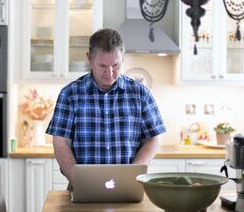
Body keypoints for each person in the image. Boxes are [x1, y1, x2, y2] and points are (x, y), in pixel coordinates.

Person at [46, 28, 165, 186]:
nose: (109, 73)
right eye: (102, 66)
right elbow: (60, 143)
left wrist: (132, 176)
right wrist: (78, 181)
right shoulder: (70, 94)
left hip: (128, 186)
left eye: (116, 65)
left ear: (122, 58)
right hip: (82, 186)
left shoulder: (140, 94)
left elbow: (153, 139)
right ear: (89, 58)